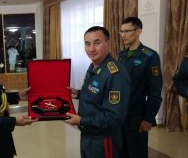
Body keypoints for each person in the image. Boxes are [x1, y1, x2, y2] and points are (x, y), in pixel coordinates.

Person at [65, 26, 131, 158]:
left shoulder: (115, 74)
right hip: (88, 135)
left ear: (108, 43)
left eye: (97, 43)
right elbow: (96, 94)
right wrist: (78, 94)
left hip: (103, 140)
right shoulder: (94, 65)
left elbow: (114, 118)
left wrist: (82, 120)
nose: (91, 49)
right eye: (87, 44)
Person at [118, 17, 163, 158]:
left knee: (137, 152)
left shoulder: (150, 56)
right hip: (120, 114)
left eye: (127, 31)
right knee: (122, 151)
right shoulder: (122, 55)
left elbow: (155, 90)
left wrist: (149, 118)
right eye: (121, 31)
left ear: (138, 31)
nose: (123, 35)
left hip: (137, 116)